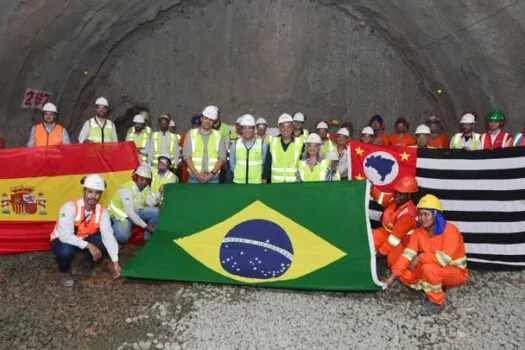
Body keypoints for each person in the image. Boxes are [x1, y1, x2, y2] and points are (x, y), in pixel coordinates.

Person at [384, 194, 468, 315]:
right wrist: (391, 278)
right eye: (420, 214)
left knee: (428, 269)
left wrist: (420, 257)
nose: (423, 218)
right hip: (433, 267)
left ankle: (437, 301)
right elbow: (406, 256)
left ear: (435, 215)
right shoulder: (418, 233)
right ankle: (436, 284)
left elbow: (444, 259)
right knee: (405, 274)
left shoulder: (450, 230)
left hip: (455, 272)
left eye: (426, 214)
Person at [50, 174, 120, 287]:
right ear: (84, 191)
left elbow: (108, 237)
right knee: (65, 251)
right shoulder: (69, 207)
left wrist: (115, 262)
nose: (93, 196)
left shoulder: (103, 212)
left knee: (106, 244)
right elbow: (64, 236)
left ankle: (87, 263)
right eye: (90, 192)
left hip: (84, 238)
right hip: (62, 239)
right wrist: (90, 246)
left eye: (97, 193)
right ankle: (64, 271)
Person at [371, 176, 418, 268]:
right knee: (370, 242)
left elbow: (395, 238)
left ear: (409, 195)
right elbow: (382, 198)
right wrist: (372, 189)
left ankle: (411, 256)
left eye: (401, 194)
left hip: (403, 241)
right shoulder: (395, 200)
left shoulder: (408, 214)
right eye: (396, 192)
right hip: (387, 232)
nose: (396, 195)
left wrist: (381, 253)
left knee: (393, 262)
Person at [108, 164, 159, 243]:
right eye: (142, 179)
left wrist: (159, 192)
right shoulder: (126, 189)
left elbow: (150, 203)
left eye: (147, 180)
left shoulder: (146, 187)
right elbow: (130, 213)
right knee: (123, 237)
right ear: (135, 177)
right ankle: (112, 227)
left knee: (156, 211)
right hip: (123, 216)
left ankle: (147, 238)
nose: (144, 182)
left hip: (136, 211)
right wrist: (147, 227)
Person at [183, 105, 228, 184]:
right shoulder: (190, 134)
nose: (208, 122)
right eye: (206, 118)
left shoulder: (219, 136)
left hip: (213, 179)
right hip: (194, 178)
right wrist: (197, 175)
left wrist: (210, 176)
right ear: (201, 118)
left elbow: (222, 158)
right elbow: (187, 157)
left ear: (214, 122)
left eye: (211, 120)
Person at [263, 114, 303, 183]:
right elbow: (267, 163)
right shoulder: (273, 142)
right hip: (276, 184)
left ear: (292, 128)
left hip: (293, 185)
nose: (285, 129)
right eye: (283, 127)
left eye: (288, 127)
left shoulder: (299, 143)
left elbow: (302, 164)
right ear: (279, 128)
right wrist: (264, 179)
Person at [230, 115, 266, 184]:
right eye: (244, 128)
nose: (247, 131)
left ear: (254, 129)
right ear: (241, 129)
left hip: (256, 183)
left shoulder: (262, 144)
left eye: (250, 128)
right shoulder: (235, 144)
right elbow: (232, 164)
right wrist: (238, 175)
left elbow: (264, 163)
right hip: (238, 182)